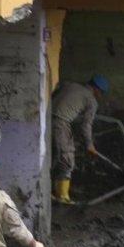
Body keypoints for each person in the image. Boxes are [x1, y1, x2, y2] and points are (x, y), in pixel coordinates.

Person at [50, 75, 110, 204]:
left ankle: (51, 191)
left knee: (52, 158)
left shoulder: (68, 85)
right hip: (60, 124)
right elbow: (86, 125)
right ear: (97, 90)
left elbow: (58, 101)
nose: (101, 96)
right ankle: (62, 197)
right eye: (102, 93)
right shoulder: (91, 100)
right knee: (67, 160)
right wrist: (89, 145)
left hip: (44, 120)